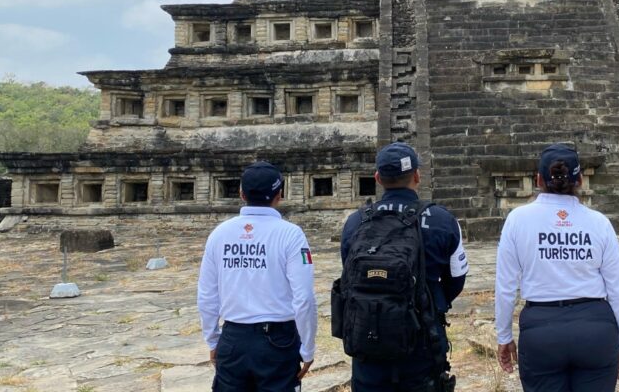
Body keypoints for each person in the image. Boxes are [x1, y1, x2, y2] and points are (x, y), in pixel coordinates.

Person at [495, 143, 619, 392]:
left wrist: (504, 337)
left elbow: (505, 287)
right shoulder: (599, 222)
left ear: (538, 178)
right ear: (580, 179)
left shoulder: (518, 219)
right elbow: (618, 290)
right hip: (595, 330)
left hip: (541, 331)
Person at [339, 142, 468, 391]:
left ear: (377, 178)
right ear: (417, 176)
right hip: (422, 342)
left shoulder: (356, 222)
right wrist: (430, 301)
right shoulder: (442, 220)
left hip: (368, 340)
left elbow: (348, 276)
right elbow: (457, 279)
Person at [197, 161, 317, 392]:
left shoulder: (220, 234)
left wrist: (213, 340)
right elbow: (304, 298)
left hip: (233, 338)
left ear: (241, 194)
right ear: (280, 194)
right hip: (278, 341)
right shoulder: (291, 234)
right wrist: (308, 348)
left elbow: (206, 296)